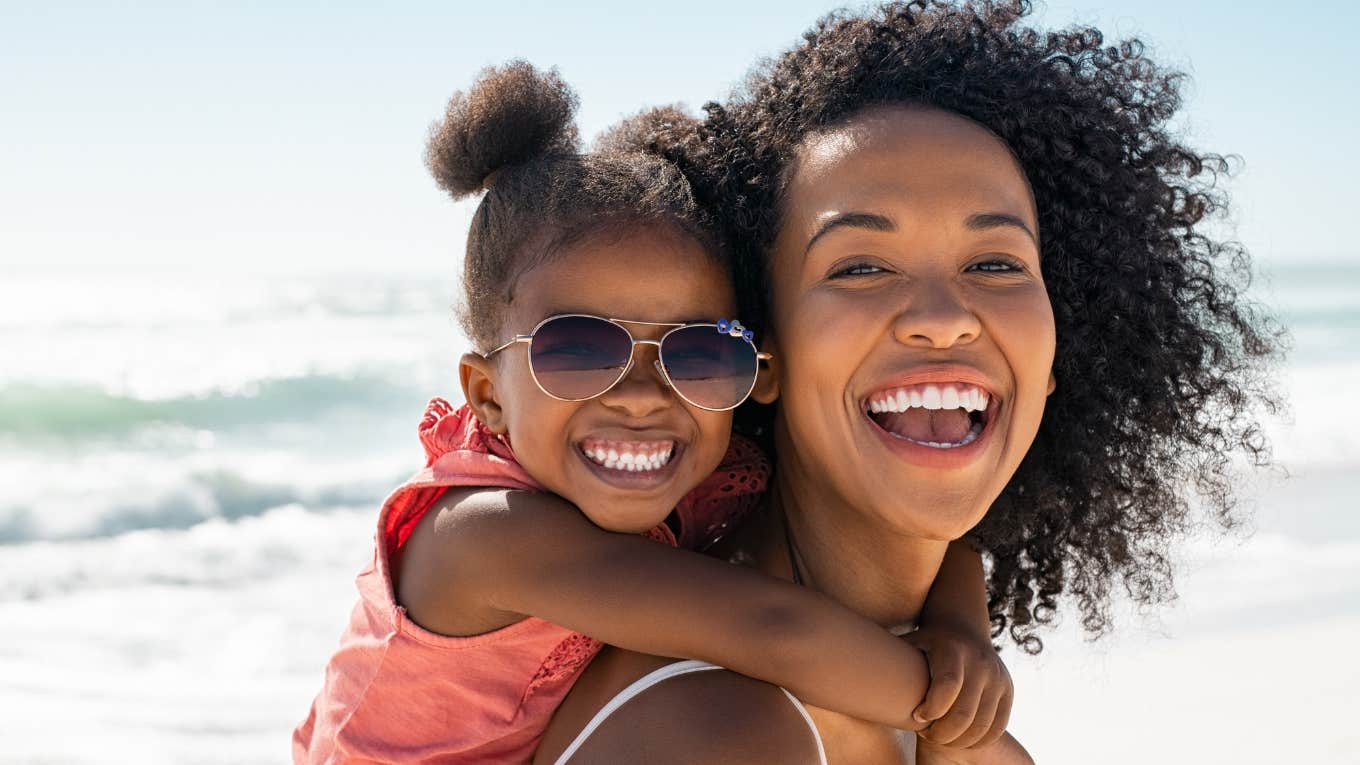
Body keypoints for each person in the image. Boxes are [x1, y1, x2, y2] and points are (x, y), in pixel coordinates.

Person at [536, 2, 1281, 762]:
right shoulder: (716, 730)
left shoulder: (957, 727)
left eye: (996, 264)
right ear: (763, 356)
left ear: (1059, 355)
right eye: (859, 266)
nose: (943, 317)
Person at [293, 61, 1014, 764]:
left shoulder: (701, 466)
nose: (643, 395)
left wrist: (960, 627)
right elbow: (769, 626)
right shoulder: (480, 536)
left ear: (755, 370)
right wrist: (951, 707)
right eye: (577, 350)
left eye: (698, 354)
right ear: (488, 395)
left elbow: (934, 538)